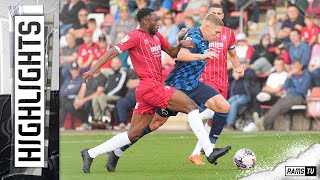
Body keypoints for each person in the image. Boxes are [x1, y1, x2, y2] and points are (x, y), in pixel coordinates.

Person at [81, 8, 226, 173]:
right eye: (155, 21)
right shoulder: (135, 36)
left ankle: (90, 153)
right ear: (144, 21)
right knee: (191, 107)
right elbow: (112, 52)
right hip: (150, 86)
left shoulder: (157, 36)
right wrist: (93, 70)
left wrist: (180, 44)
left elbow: (172, 52)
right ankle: (209, 151)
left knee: (133, 134)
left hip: (152, 88)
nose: (158, 24)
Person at [253, 61, 311, 130]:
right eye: (293, 66)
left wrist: (291, 90)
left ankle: (264, 122)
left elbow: (302, 90)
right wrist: (289, 77)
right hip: (289, 96)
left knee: (280, 105)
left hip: (300, 97)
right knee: (279, 104)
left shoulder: (306, 76)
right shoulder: (291, 76)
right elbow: (285, 87)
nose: (294, 68)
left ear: (301, 66)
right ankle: (264, 123)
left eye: (296, 66)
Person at [225, 58, 256, 129]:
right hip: (235, 96)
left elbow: (250, 77)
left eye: (244, 63)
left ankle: (230, 124)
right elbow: (227, 77)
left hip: (245, 96)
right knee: (226, 105)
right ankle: (223, 124)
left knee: (234, 104)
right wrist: (233, 75)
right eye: (241, 63)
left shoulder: (250, 71)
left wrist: (240, 75)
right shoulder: (234, 72)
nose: (242, 65)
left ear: (247, 64)